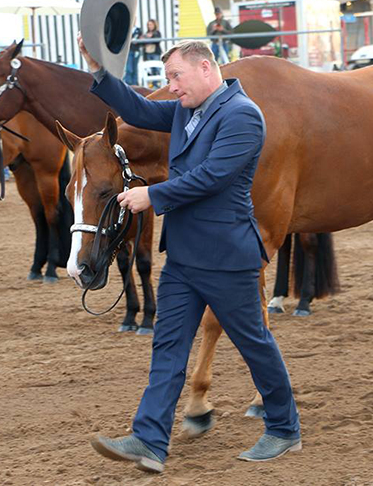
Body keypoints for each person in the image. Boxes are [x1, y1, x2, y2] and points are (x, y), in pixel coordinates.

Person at [77, 34, 301, 474]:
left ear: (205, 68)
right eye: (167, 78)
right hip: (182, 258)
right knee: (168, 347)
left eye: (176, 76)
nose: (171, 86)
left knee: (254, 344)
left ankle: (284, 428)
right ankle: (149, 440)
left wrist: (151, 196)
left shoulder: (243, 116)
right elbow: (139, 110)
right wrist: (98, 69)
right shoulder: (187, 110)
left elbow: (212, 177)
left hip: (226, 257)